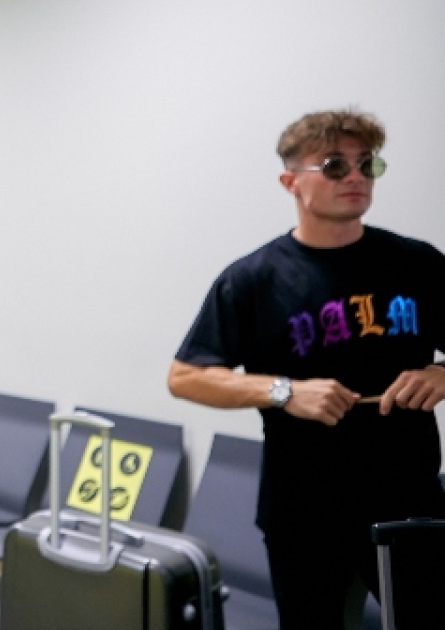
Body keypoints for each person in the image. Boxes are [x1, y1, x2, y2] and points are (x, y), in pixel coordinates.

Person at [168, 109, 445, 630]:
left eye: (367, 164)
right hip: (303, 511)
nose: (356, 176)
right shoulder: (252, 280)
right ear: (290, 182)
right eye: (335, 165)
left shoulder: (418, 264)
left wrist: (442, 376)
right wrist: (284, 391)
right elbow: (185, 376)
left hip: (409, 500)